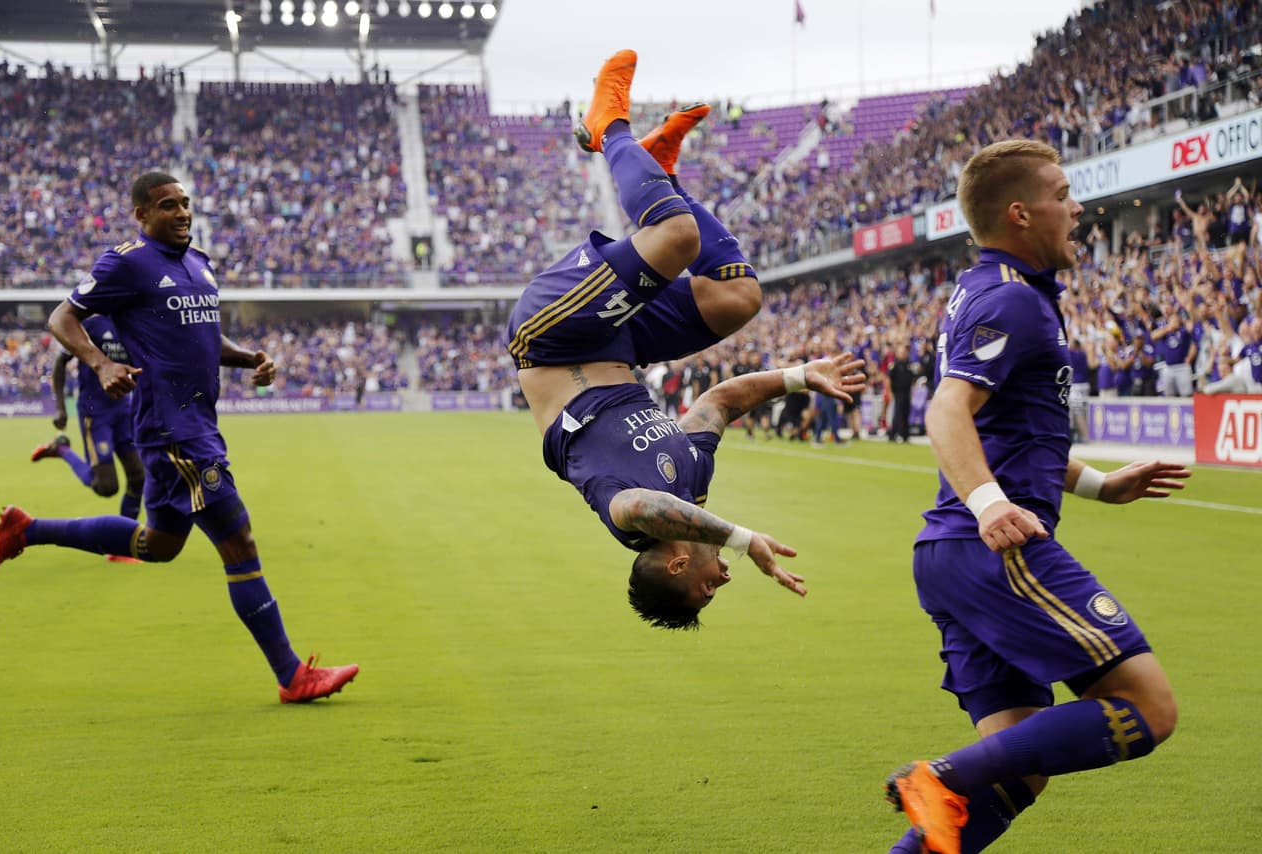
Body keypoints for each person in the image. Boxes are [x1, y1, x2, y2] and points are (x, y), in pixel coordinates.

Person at [883, 141, 1192, 854]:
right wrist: (992, 506)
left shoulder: (987, 289)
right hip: (994, 549)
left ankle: (947, 788)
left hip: (953, 556)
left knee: (1017, 776)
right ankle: (938, 776)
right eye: (1062, 192)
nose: (1077, 206)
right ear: (1022, 213)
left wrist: (1096, 483)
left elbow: (1012, 430)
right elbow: (945, 412)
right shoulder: (1012, 301)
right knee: (1147, 707)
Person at [504, 50, 865, 630]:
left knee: (674, 235)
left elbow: (648, 505)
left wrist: (745, 540)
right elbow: (722, 400)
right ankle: (658, 170)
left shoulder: (627, 518)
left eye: (705, 591)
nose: (721, 580)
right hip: (621, 345)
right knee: (737, 298)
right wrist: (800, 377)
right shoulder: (693, 480)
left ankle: (607, 127)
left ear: (675, 566)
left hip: (552, 335)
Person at [0, 172, 358, 704]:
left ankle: (27, 529)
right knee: (240, 544)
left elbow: (202, 333)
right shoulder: (128, 261)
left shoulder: (200, 263)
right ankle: (292, 675)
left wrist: (249, 356)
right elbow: (62, 317)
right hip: (174, 431)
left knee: (157, 545)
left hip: (195, 424)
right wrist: (98, 363)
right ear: (142, 214)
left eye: (185, 203)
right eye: (167, 205)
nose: (181, 212)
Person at [29, 314, 146, 562]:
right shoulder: (91, 324)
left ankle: (121, 546)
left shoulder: (133, 323)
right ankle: (62, 451)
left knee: (139, 476)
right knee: (107, 487)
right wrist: (60, 407)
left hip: (123, 411)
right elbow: (61, 362)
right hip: (96, 414)